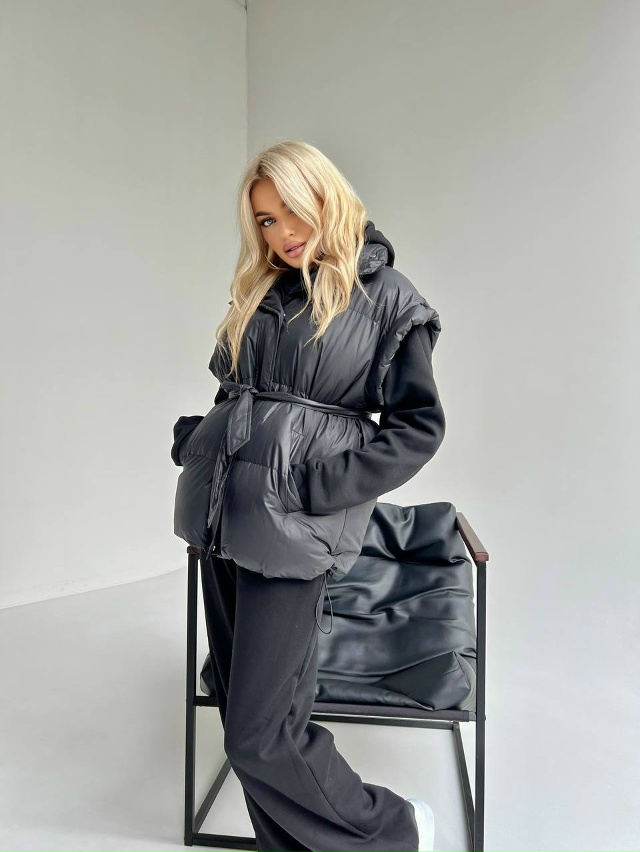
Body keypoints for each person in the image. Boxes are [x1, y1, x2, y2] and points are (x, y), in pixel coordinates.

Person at [172, 140, 444, 852]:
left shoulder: (387, 298)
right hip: (223, 514)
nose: (282, 233)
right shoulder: (261, 291)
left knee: (260, 734)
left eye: (293, 210)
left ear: (327, 197)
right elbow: (239, 398)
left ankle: (395, 829)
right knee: (247, 718)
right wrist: (197, 440)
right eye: (265, 220)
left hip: (294, 527)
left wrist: (322, 487)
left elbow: (418, 427)